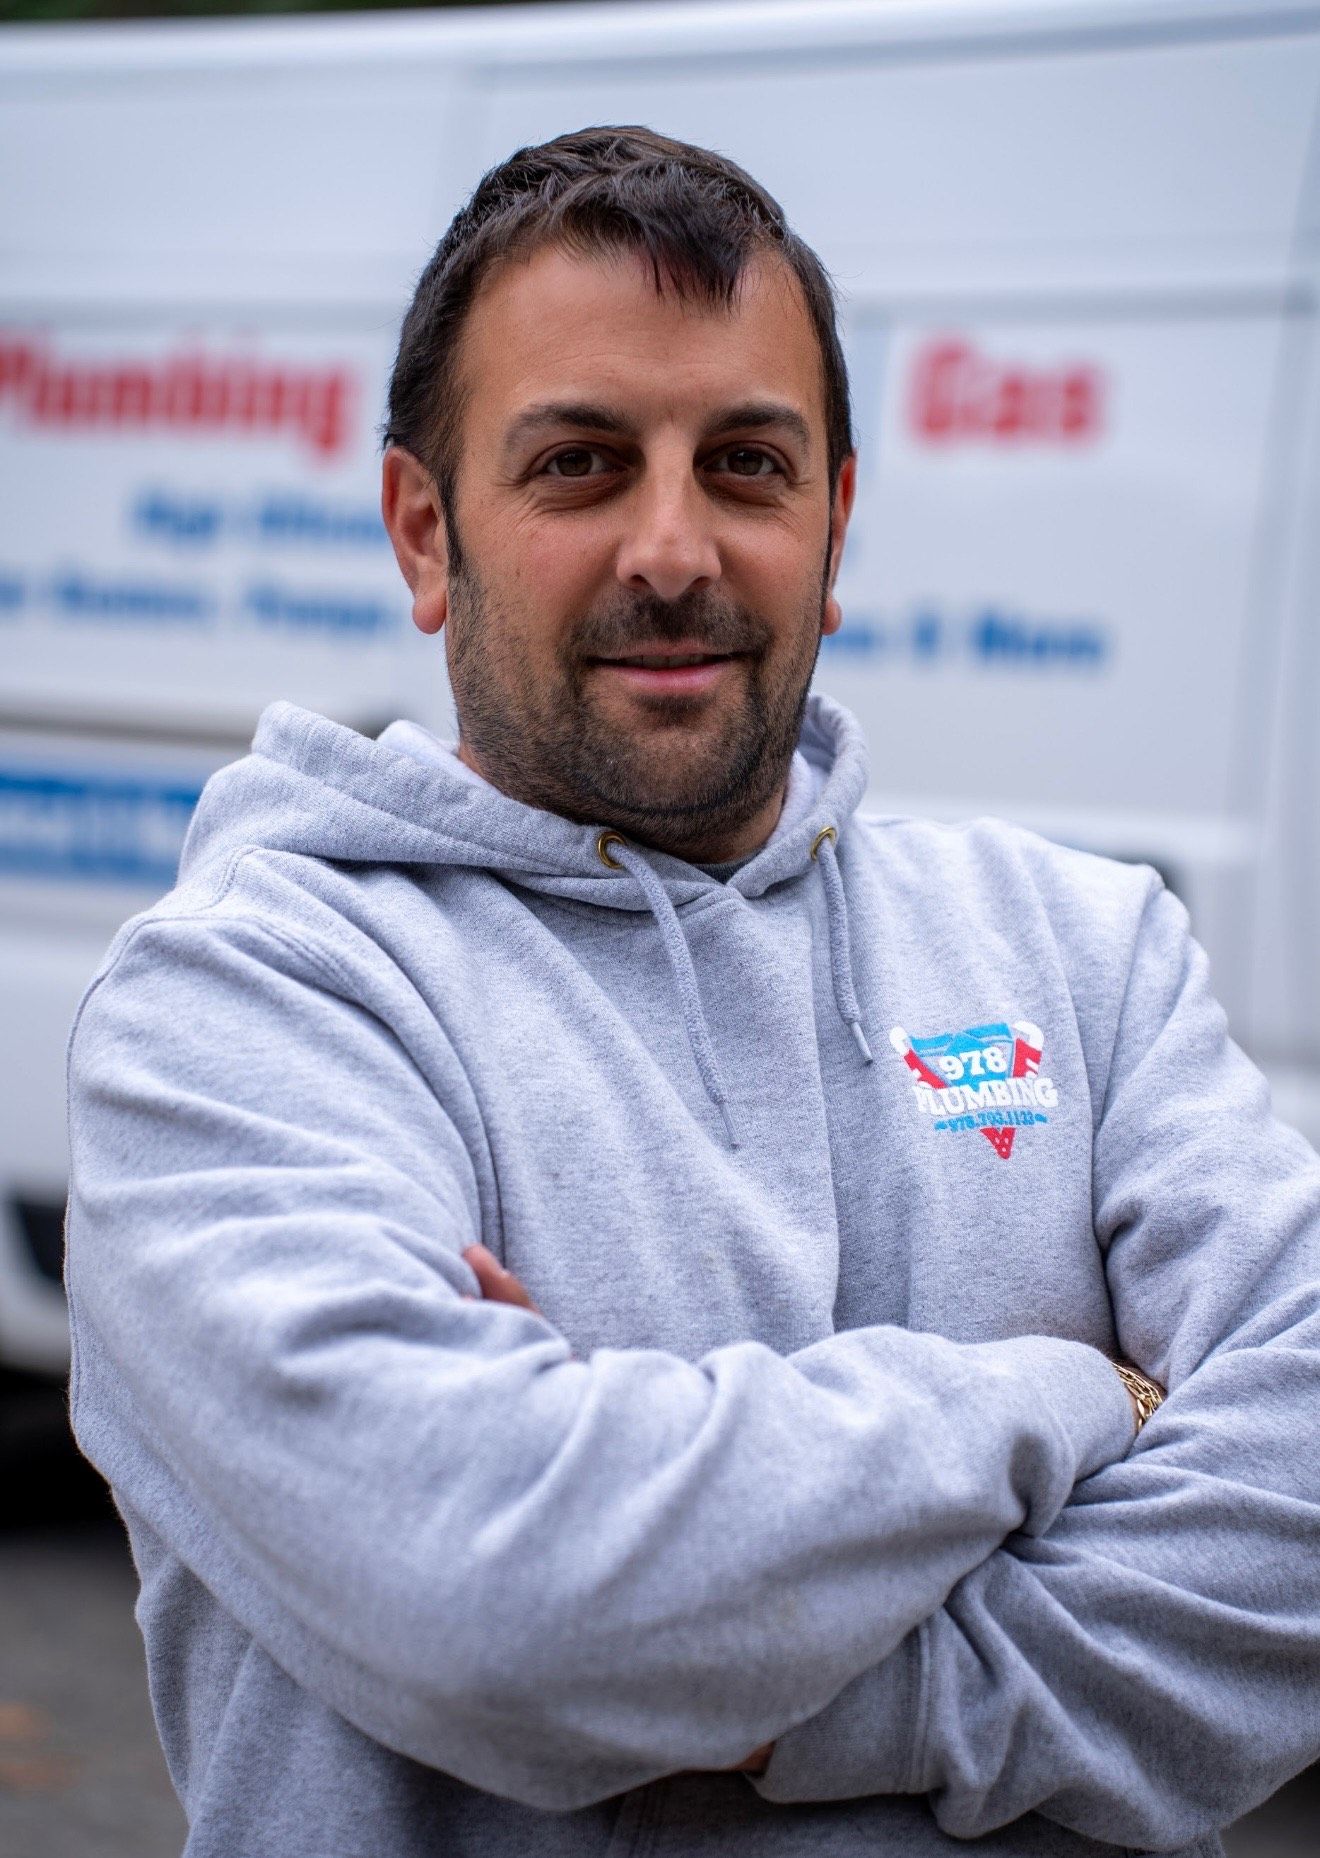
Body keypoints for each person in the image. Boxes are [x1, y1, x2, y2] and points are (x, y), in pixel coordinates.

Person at [64, 127, 1320, 1858]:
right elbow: (494, 1592)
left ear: (835, 519)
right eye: (581, 464)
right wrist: (1075, 1397)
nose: (675, 546)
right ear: (426, 533)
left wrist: (798, 1686)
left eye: (746, 462)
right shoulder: (246, 1005)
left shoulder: (1088, 954)